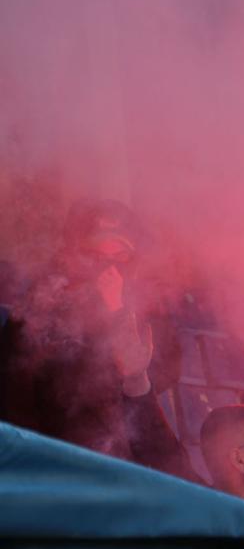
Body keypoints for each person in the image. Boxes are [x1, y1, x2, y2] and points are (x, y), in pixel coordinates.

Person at [0, 199, 192, 479]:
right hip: (60, 477)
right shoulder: (36, 319)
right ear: (72, 258)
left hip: (129, 479)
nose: (109, 270)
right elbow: (16, 407)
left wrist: (119, 320)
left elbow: (157, 389)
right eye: (96, 255)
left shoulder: (145, 320)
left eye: (120, 256)